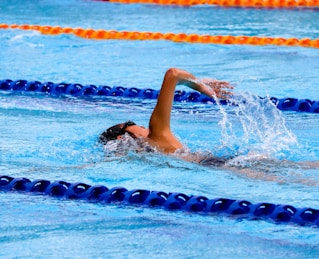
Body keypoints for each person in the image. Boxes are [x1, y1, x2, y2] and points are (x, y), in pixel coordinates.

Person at [99, 68, 233, 166]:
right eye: (130, 124)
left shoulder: (151, 156)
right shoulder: (155, 134)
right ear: (122, 138)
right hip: (222, 164)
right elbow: (173, 74)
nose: (141, 126)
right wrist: (200, 86)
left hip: (215, 166)